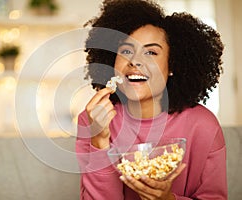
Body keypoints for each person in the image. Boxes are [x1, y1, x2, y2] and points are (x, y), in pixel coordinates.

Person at [76, 0, 227, 199]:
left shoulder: (203, 126)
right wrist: (99, 141)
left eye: (151, 52)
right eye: (126, 51)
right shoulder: (91, 120)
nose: (135, 61)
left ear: (172, 65)